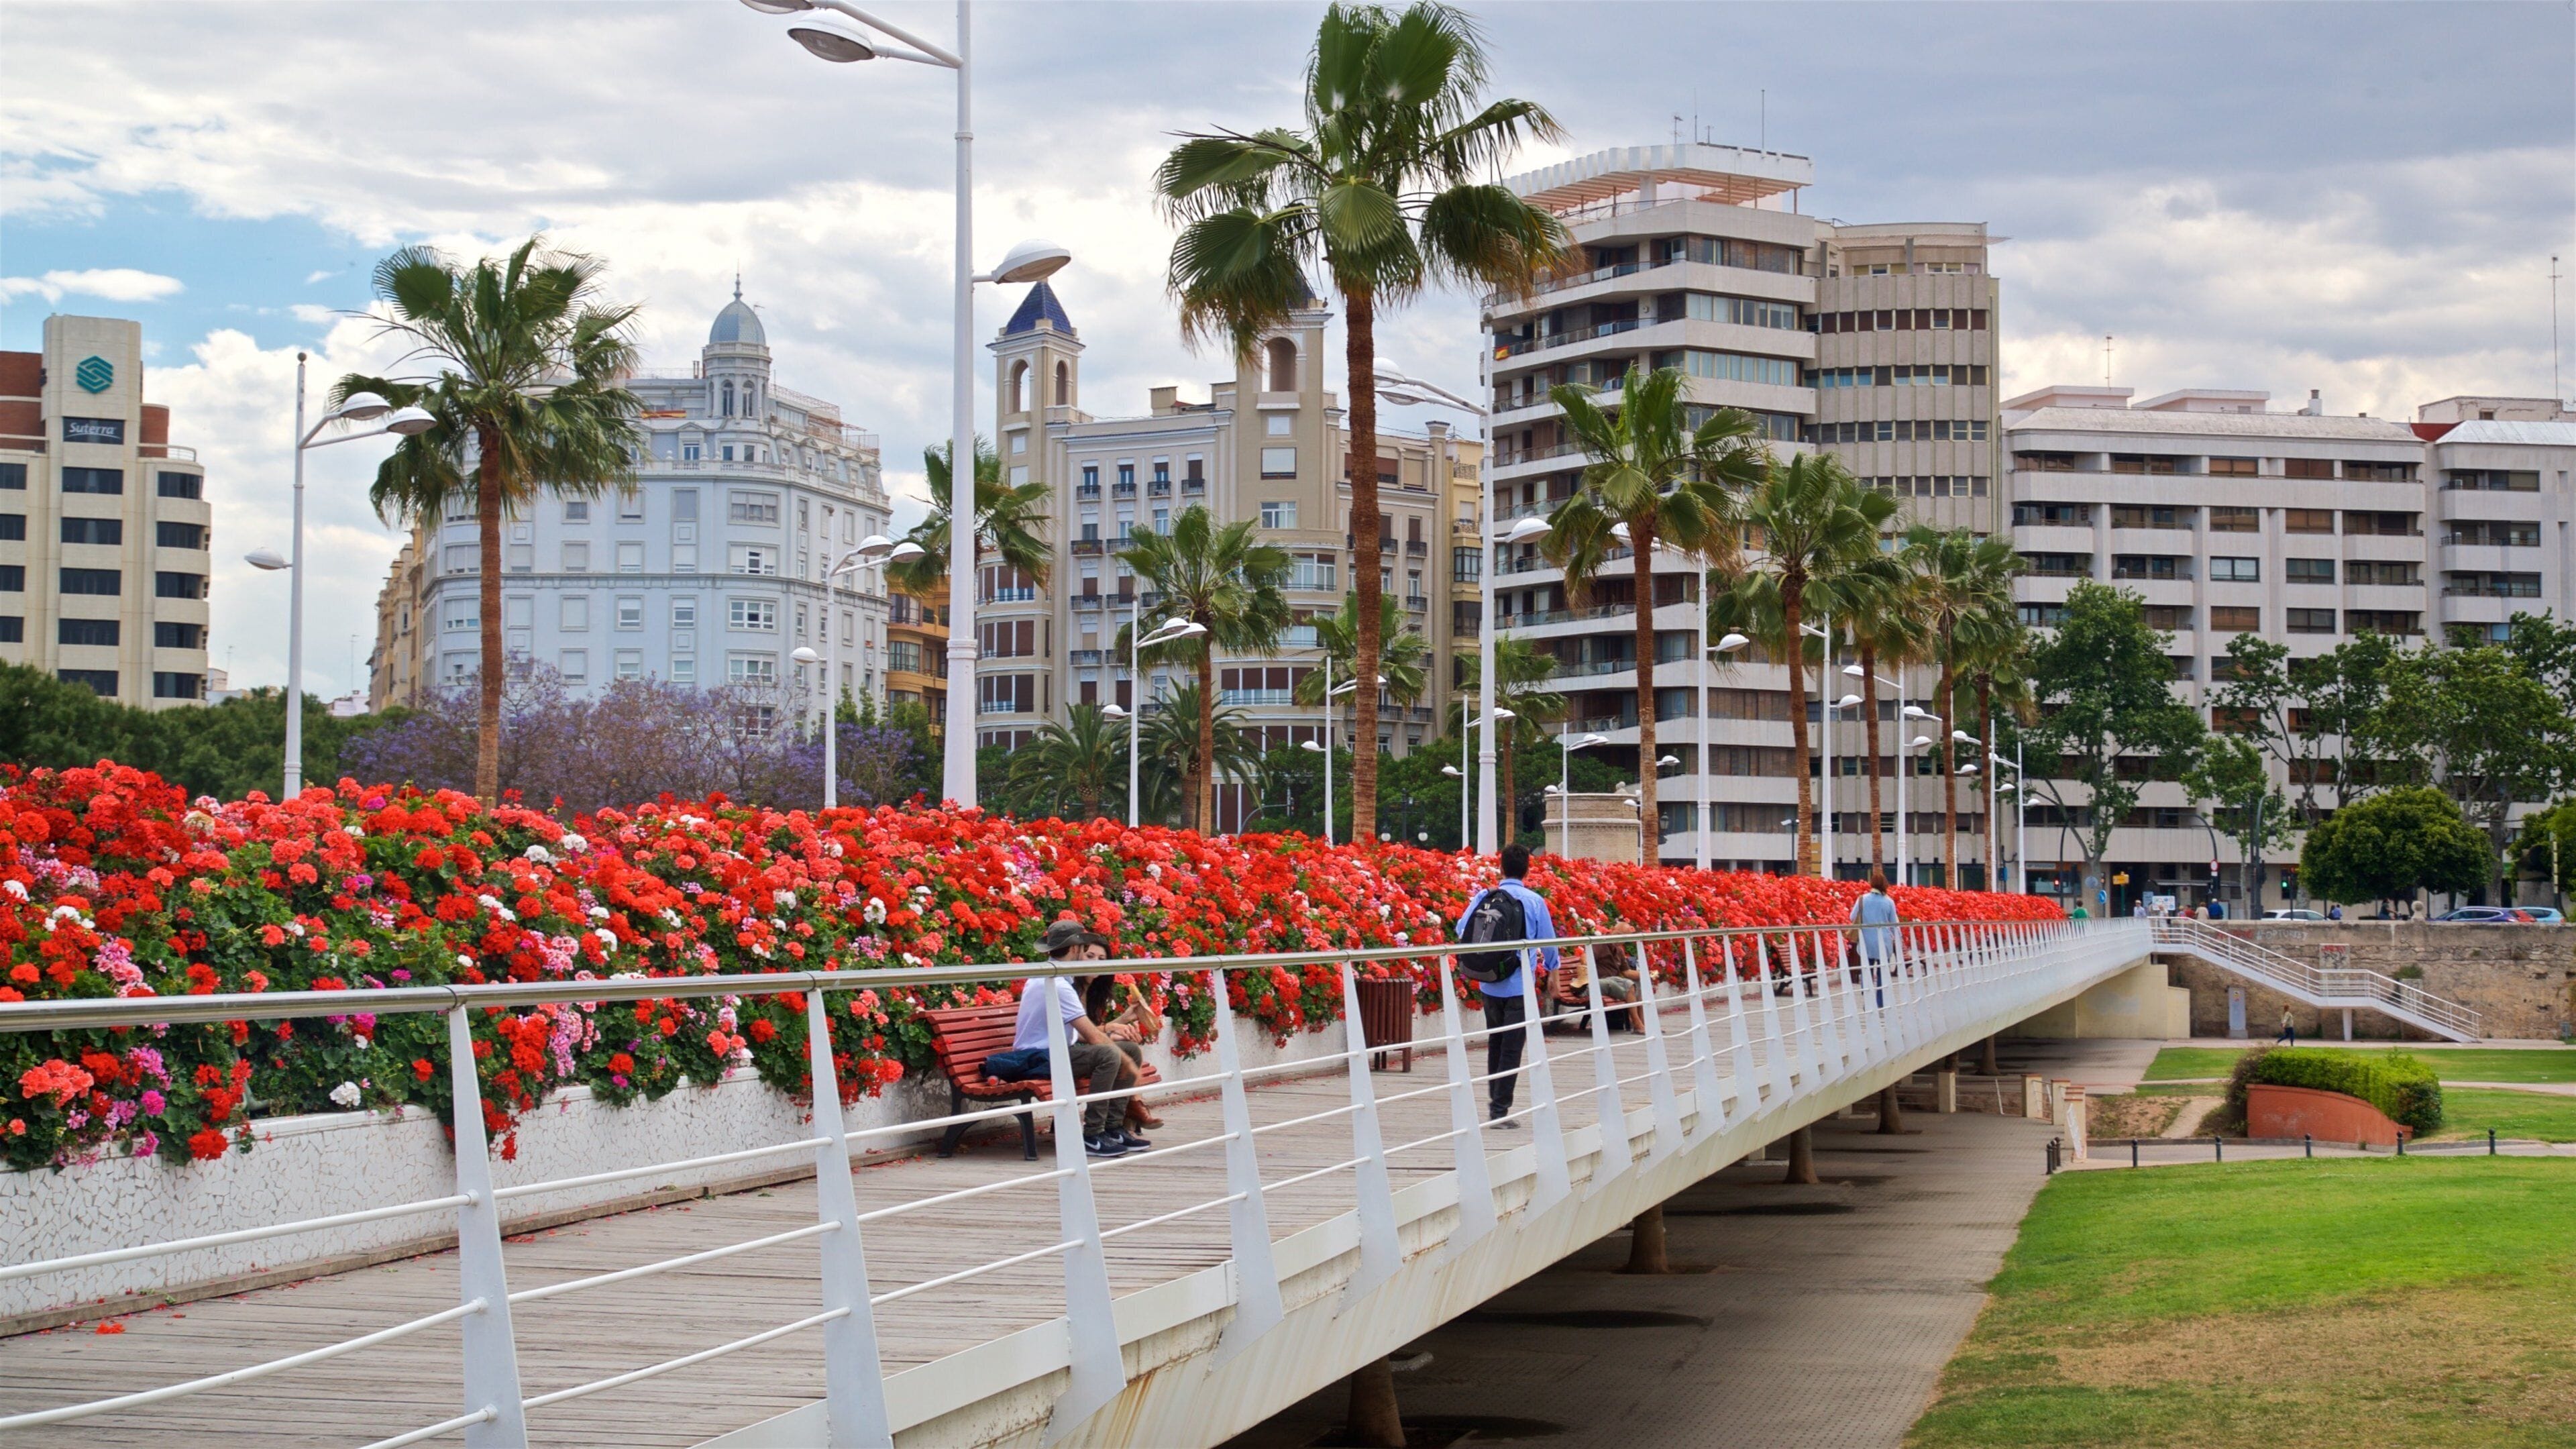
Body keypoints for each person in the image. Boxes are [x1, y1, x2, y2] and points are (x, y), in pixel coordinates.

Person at [1010, 917, 1148, 1159]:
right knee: (1108, 1054)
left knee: (1129, 1050)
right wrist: (1124, 1059)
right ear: (1075, 949)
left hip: (1052, 1052)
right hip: (1038, 1058)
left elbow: (1078, 1033)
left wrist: (1118, 1038)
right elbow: (1093, 1038)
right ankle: (1093, 1134)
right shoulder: (1058, 985)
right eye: (1084, 949)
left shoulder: (1057, 977)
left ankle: (1113, 1128)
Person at [1455, 843, 1559, 1127]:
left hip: (1489, 982)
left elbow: (1461, 929)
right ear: (1527, 868)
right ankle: (1499, 1111)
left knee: (1496, 1043)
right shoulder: (1533, 901)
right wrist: (1553, 971)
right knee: (1512, 1048)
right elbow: (1548, 942)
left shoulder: (1484, 896)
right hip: (1518, 985)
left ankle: (1496, 1107)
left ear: (1501, 868)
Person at [1081, 967, 1165, 1132]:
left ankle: (1115, 1125)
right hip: (1056, 1051)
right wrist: (1111, 1033)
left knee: (1128, 1049)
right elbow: (1075, 1035)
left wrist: (1123, 1020)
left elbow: (1087, 1032)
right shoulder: (1067, 987)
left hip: (1083, 1047)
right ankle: (1096, 1130)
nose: (1095, 964)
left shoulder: (1091, 991)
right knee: (1114, 1052)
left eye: (1101, 960)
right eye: (1090, 956)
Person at [1849, 869, 1900, 1006]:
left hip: (1866, 941)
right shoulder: (1889, 902)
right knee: (1883, 974)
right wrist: (1899, 941)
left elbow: (1852, 917)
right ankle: (1880, 1003)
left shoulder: (1862, 899)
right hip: (1884, 942)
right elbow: (1894, 923)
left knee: (1867, 971)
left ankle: (1868, 1001)